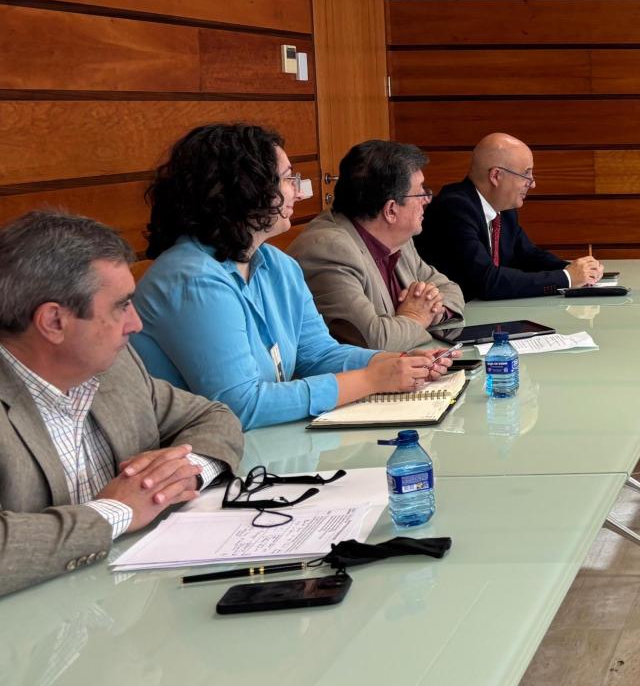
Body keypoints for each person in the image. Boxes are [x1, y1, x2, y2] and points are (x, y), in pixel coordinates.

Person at [131, 124, 442, 430]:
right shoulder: (192, 278)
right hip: (191, 460)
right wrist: (371, 379)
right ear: (245, 188)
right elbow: (239, 404)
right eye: (289, 178)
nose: (299, 189)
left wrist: (394, 362)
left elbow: (318, 354)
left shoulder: (277, 265)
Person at [0, 211, 243, 596]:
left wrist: (181, 473)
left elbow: (213, 416)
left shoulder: (115, 367)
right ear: (54, 322)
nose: (136, 324)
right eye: (121, 306)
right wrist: (117, 512)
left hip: (128, 607)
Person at [289, 140, 465, 351]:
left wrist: (435, 311)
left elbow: (450, 289)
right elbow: (374, 341)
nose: (427, 200)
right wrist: (417, 317)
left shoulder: (399, 239)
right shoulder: (328, 250)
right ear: (391, 210)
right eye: (420, 193)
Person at [415, 133, 602, 301]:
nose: (533, 183)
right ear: (496, 176)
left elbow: (528, 255)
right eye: (526, 174)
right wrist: (567, 278)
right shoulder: (454, 208)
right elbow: (487, 281)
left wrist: (576, 269)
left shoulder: (503, 208)